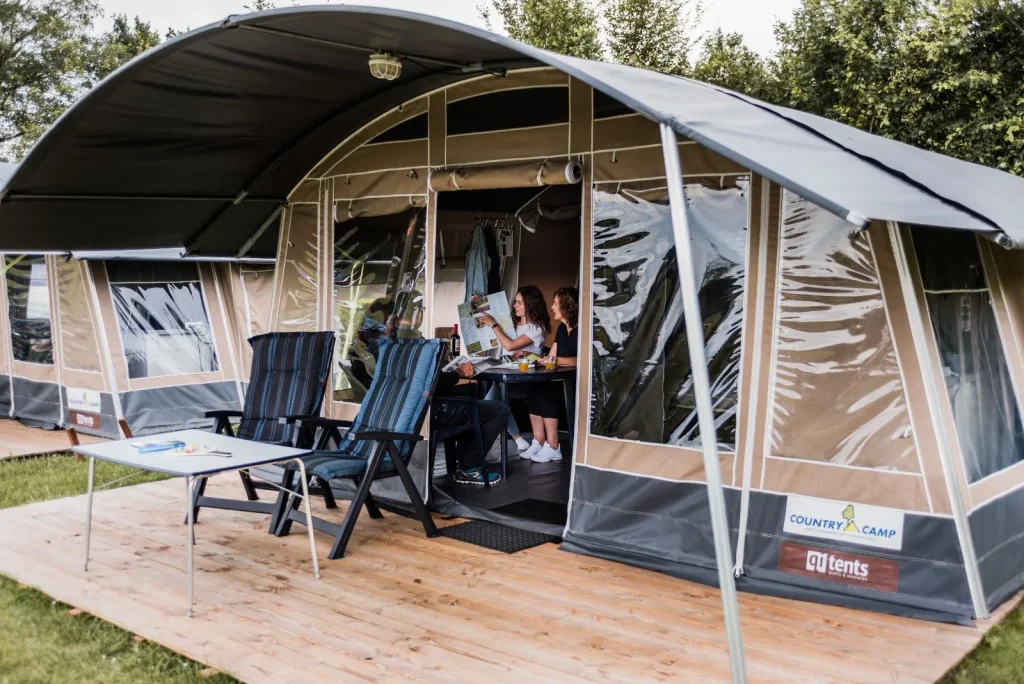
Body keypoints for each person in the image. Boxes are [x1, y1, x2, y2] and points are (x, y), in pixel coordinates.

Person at [476, 286, 550, 453]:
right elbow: (491, 316)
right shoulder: (510, 324)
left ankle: (515, 439)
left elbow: (510, 346)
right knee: (490, 406)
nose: (515, 306)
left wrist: (493, 324)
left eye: (519, 303)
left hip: (524, 380)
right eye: (515, 302)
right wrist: (478, 303)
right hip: (505, 376)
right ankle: (518, 439)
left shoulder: (537, 328)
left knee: (490, 406)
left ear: (530, 304)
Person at [516, 286, 579, 463]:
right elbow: (551, 356)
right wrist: (531, 355)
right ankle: (539, 440)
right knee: (534, 387)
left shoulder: (581, 330)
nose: (552, 307)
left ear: (567, 306)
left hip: (575, 382)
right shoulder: (562, 329)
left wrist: (555, 360)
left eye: (556, 304)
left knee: (545, 391)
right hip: (561, 378)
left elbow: (583, 359)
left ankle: (553, 446)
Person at [432, 357, 508, 486]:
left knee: (469, 404)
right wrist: (458, 373)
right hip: (436, 411)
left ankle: (464, 463)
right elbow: (436, 385)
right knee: (500, 410)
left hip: (425, 411)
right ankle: (469, 467)